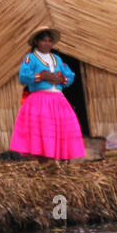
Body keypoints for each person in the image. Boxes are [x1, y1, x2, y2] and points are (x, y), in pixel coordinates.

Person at [9, 28, 86, 161]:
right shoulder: (30, 58)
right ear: (37, 42)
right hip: (40, 100)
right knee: (44, 131)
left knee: (63, 130)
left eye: (50, 41)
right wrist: (41, 76)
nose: (47, 43)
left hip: (58, 100)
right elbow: (23, 77)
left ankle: (62, 162)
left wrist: (61, 79)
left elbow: (69, 75)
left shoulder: (57, 58)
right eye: (43, 40)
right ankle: (45, 163)